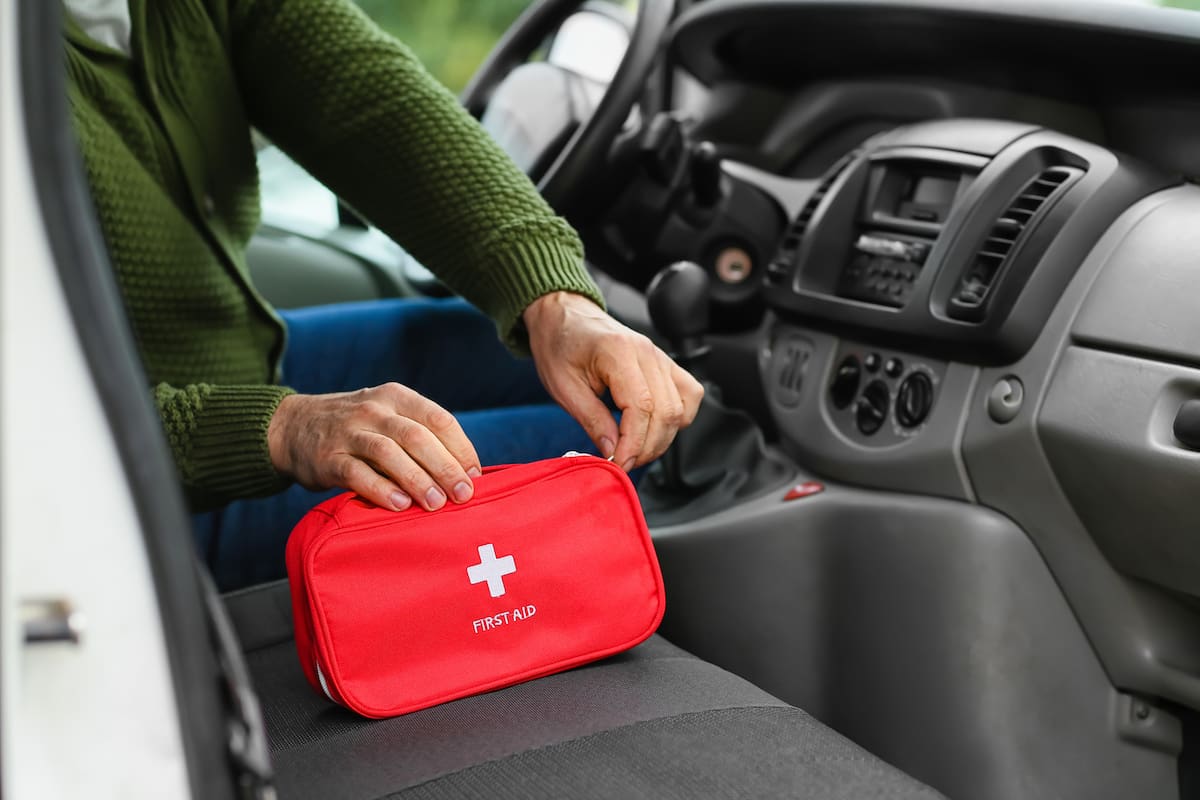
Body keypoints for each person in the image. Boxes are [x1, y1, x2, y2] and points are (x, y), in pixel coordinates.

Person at [64, 0, 702, 590]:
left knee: (527, 359)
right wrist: (285, 429)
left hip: (238, 361)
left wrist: (558, 301)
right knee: (617, 454)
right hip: (136, 501)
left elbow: (369, 100)